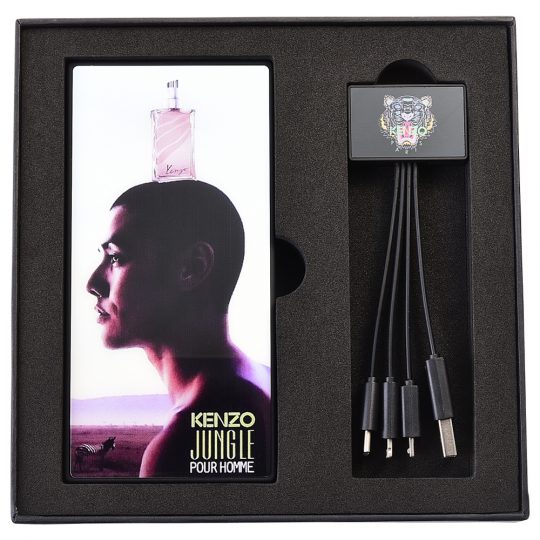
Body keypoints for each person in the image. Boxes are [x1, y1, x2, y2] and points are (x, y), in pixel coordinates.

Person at [86, 180, 271, 478]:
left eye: (116, 258)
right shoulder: (263, 380)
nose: (92, 284)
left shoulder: (178, 448)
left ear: (192, 268)